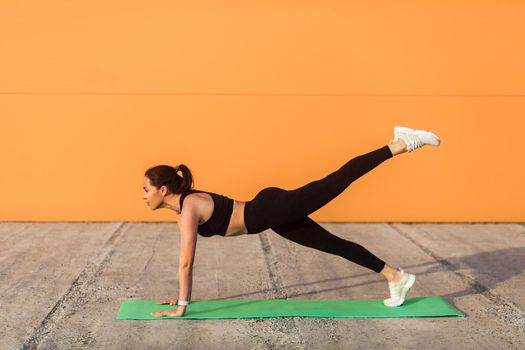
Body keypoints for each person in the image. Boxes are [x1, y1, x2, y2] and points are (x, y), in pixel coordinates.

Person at [146, 126, 441, 317]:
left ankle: (401, 144)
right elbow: (186, 263)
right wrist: (181, 298)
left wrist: (182, 306)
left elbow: (185, 263)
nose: (143, 196)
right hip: (272, 215)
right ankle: (396, 277)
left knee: (335, 181)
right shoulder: (184, 208)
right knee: (334, 245)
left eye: (146, 189)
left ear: (163, 190)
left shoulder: (188, 209)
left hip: (271, 209)